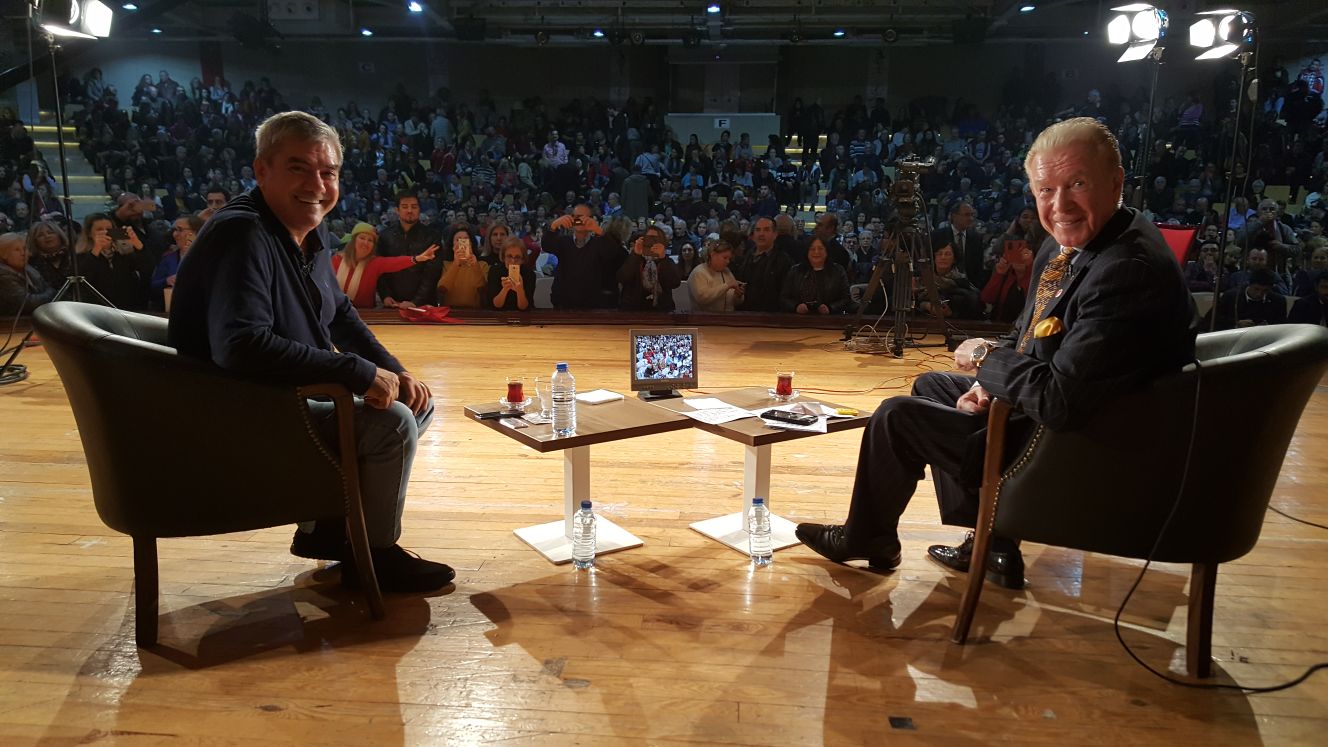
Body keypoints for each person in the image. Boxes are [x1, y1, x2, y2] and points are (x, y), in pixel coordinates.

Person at [796, 118, 1196, 590]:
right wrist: (990, 385)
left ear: (1116, 181)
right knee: (934, 386)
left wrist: (987, 360)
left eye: (1077, 184)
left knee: (896, 417)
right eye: (1045, 190)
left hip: (1083, 450)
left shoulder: (1126, 270)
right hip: (1072, 411)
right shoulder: (1077, 244)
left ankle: (870, 538)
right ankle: (992, 541)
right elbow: (1030, 337)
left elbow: (1059, 402)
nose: (1059, 205)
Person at [167, 111, 454, 593]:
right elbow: (241, 346)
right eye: (298, 168)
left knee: (412, 402)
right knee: (392, 426)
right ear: (262, 170)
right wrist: (358, 372)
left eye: (329, 173)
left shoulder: (305, 233)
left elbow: (341, 315)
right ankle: (375, 555)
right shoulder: (244, 235)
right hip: (241, 416)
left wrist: (395, 372)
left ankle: (329, 530)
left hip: (284, 398)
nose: (317, 185)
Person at [331, 222, 438, 309]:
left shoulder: (374, 263)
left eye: (370, 240)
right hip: (335, 312)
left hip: (365, 314)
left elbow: (395, 262)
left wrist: (418, 258)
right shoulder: (335, 260)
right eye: (362, 238)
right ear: (353, 240)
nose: (366, 242)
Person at [542, 204, 624, 309]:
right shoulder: (563, 241)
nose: (580, 220)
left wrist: (599, 230)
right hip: (564, 302)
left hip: (593, 303)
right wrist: (554, 226)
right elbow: (546, 246)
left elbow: (613, 253)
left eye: (584, 217)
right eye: (577, 217)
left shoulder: (599, 243)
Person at [376, 191, 442, 308]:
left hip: (424, 304)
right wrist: (385, 295)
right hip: (392, 303)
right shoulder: (385, 236)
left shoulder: (432, 235)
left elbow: (432, 273)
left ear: (419, 209)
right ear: (397, 210)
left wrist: (416, 302)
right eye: (405, 207)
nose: (410, 210)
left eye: (414, 207)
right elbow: (379, 268)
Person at [735, 216, 793, 313]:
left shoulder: (783, 261)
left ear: (775, 234)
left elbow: (786, 295)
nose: (761, 234)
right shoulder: (745, 257)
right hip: (745, 315)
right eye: (758, 230)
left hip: (770, 317)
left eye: (766, 230)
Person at [423, 224, 489, 309]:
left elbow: (483, 289)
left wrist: (474, 265)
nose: (462, 243)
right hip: (449, 311)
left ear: (472, 243)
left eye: (466, 239)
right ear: (452, 244)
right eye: (458, 240)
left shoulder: (482, 265)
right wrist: (456, 264)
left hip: (475, 312)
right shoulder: (445, 264)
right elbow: (441, 289)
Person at [618, 224, 682, 311]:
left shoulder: (667, 261)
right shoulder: (634, 258)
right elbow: (623, 278)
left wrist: (663, 259)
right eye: (649, 238)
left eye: (655, 239)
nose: (651, 242)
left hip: (661, 310)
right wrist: (635, 254)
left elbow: (674, 283)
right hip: (634, 310)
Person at [780, 237, 850, 315]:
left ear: (826, 251)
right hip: (799, 319)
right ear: (807, 252)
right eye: (812, 249)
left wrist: (830, 308)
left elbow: (846, 298)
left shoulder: (838, 270)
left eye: (820, 249)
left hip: (830, 319)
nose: (816, 252)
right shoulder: (795, 270)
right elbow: (784, 298)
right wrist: (796, 306)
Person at [149, 214, 204, 309]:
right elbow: (152, 288)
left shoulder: (209, 256)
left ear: (196, 232)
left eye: (180, 230)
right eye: (174, 230)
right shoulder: (168, 258)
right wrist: (167, 281)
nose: (175, 234)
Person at [1210, 268, 1288, 329]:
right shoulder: (1231, 297)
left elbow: (1282, 327)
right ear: (1249, 284)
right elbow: (1212, 321)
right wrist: (1236, 324)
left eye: (1265, 290)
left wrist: (1269, 327)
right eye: (1256, 289)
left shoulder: (1278, 301)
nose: (1259, 294)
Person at [0, 232, 55, 316]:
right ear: (4, 254)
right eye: (17, 250)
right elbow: (27, 303)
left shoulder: (30, 270)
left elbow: (48, 287)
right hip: (13, 324)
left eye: (24, 248)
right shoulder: (3, 276)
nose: (23, 253)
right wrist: (52, 293)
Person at [980, 240, 1034, 323]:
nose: (1019, 258)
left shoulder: (1036, 275)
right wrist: (999, 274)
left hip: (1026, 325)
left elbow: (1034, 300)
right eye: (1015, 254)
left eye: (1024, 254)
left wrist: (1030, 267)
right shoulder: (1006, 274)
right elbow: (986, 298)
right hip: (1002, 325)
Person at [688, 240, 744, 312]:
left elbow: (734, 302)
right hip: (704, 320)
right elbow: (702, 298)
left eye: (729, 258)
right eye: (725, 258)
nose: (728, 261)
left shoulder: (727, 271)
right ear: (713, 255)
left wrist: (738, 295)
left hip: (728, 319)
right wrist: (727, 285)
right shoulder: (699, 272)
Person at [488, 237, 536, 311]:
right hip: (499, 315)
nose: (513, 261)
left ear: (523, 259)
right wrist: (505, 289)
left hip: (522, 316)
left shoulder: (529, 274)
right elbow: (496, 305)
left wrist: (520, 290)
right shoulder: (494, 271)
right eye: (509, 256)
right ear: (503, 257)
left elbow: (524, 307)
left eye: (517, 257)